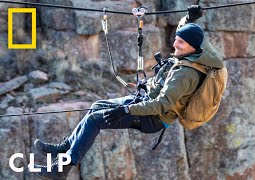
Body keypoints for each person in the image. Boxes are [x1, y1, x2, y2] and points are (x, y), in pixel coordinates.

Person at [28, 14, 224, 179]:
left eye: (180, 42)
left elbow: (161, 105)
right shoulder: (199, 52)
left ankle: (62, 169)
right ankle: (65, 149)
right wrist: (189, 18)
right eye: (176, 39)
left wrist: (126, 109)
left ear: (192, 46)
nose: (174, 44)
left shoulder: (185, 74)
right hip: (145, 101)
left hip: (153, 118)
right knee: (97, 106)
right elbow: (190, 32)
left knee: (96, 120)